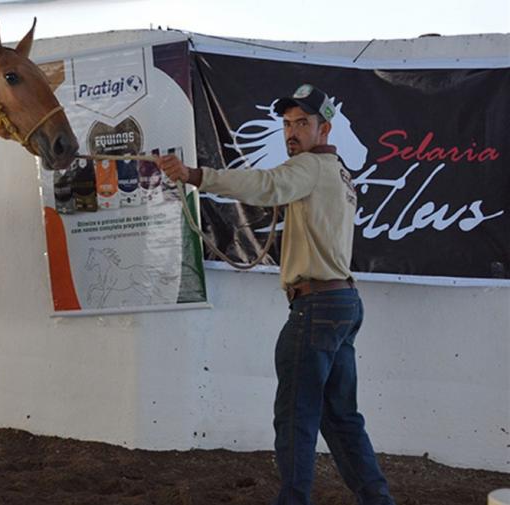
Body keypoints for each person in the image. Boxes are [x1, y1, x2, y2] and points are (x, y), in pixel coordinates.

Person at [159, 84, 395, 505]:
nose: (292, 131)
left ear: (325, 128)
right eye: (287, 123)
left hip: (316, 307)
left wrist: (196, 176)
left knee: (295, 417)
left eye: (302, 123)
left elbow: (267, 186)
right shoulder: (338, 172)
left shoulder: (309, 167)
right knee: (340, 417)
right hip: (342, 303)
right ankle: (378, 499)